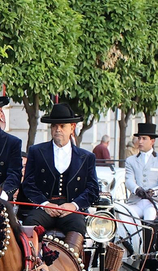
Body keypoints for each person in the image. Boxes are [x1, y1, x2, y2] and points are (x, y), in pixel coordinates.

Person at [17, 102, 100, 251]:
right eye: (54, 126)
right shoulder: (36, 151)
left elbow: (93, 189)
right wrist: (45, 204)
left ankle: (72, 262)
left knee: (78, 225)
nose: (58, 130)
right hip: (44, 208)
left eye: (62, 126)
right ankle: (32, 261)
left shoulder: (86, 157)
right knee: (29, 223)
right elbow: (28, 184)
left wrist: (74, 206)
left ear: (72, 127)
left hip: (71, 209)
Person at [123, 121, 158, 221]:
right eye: (139, 138)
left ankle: (148, 232)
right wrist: (137, 189)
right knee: (126, 216)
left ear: (152, 141)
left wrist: (153, 191)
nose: (140, 141)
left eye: (144, 138)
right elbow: (129, 180)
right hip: (135, 202)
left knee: (150, 213)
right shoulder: (131, 160)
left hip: (155, 202)